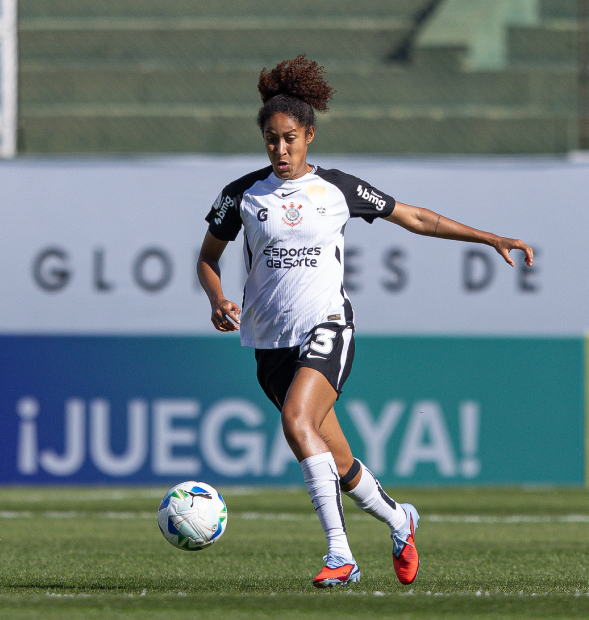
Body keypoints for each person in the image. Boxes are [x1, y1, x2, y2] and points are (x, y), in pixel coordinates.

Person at [197, 55, 533, 588]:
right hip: (269, 343)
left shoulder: (338, 190)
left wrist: (488, 237)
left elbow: (414, 217)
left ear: (309, 136)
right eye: (271, 140)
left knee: (296, 422)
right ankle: (400, 520)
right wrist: (217, 298)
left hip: (327, 327)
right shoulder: (241, 195)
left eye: (289, 139)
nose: (280, 150)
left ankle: (341, 555)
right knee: (339, 460)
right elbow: (207, 258)